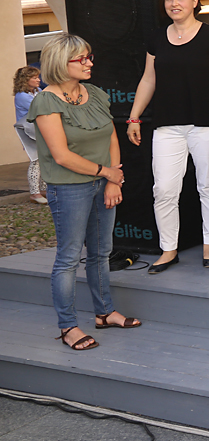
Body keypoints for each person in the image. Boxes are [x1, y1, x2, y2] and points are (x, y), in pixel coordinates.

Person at [28, 34, 138, 351]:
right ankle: (68, 326)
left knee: (101, 252)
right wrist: (107, 173)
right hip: (69, 188)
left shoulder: (95, 94)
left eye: (90, 57)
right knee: (68, 258)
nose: (90, 63)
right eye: (83, 59)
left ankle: (104, 312)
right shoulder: (45, 101)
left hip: (104, 181)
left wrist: (114, 179)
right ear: (62, 63)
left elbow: (110, 137)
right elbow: (61, 156)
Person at [128, 0, 209, 272]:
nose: (174, 4)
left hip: (207, 122)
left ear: (194, 2)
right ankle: (168, 249)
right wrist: (134, 116)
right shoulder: (156, 38)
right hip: (166, 124)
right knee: (163, 189)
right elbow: (148, 80)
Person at [13, 66, 46, 204]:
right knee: (36, 160)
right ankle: (35, 193)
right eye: (35, 78)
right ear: (26, 80)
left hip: (40, 130)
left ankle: (44, 189)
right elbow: (42, 107)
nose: (38, 80)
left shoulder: (38, 91)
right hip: (29, 132)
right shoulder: (22, 96)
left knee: (44, 160)